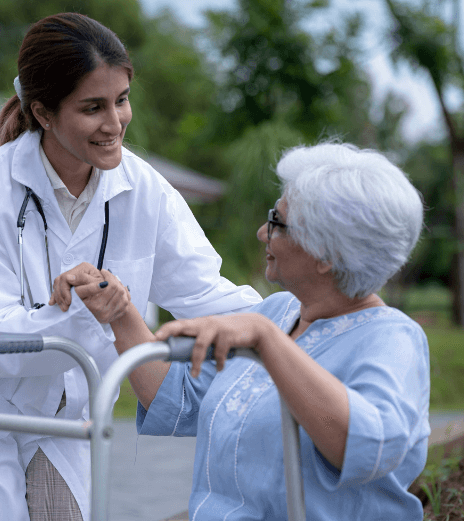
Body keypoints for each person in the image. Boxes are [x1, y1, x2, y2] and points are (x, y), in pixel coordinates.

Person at [0, 12, 261, 521]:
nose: (114, 122)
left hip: (68, 406)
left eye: (121, 100)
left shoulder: (145, 191)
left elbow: (207, 294)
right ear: (44, 112)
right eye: (92, 107)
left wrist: (301, 316)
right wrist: (87, 307)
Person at [55, 142, 430, 520]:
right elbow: (177, 397)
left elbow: (364, 446)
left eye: (278, 222)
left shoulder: (392, 339)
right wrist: (119, 311)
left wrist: (266, 339)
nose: (262, 233)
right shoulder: (279, 312)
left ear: (327, 254)